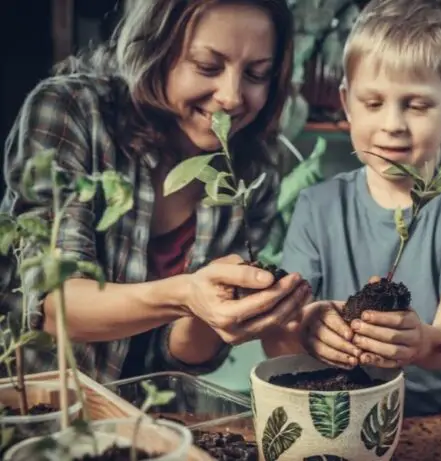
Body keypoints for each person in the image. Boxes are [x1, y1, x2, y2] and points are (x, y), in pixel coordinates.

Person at [0, 0, 311, 383]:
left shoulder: (253, 170)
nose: (231, 97)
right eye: (207, 67)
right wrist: (186, 294)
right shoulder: (72, 111)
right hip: (40, 407)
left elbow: (184, 355)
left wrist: (223, 311)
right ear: (155, 51)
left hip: (156, 417)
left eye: (257, 74)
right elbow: (53, 305)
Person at [272, 0, 441, 417]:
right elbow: (280, 336)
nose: (392, 125)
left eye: (416, 105)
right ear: (347, 104)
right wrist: (308, 325)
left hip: (432, 414)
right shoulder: (317, 205)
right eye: (373, 103)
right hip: (331, 411)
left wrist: (420, 341)